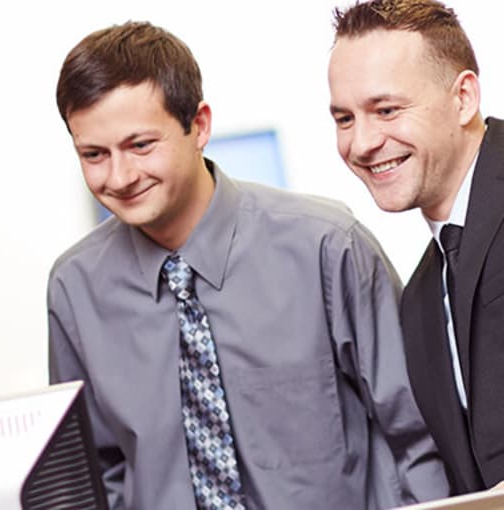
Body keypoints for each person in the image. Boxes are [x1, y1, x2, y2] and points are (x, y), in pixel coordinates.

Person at [48, 20, 448, 509]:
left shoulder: (326, 247)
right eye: (94, 154)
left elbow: (416, 437)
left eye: (140, 145)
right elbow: (91, 475)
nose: (120, 176)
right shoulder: (74, 289)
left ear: (199, 125)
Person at [328, 0, 504, 496]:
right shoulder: (422, 296)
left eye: (386, 110)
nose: (361, 143)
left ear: (464, 97)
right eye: (344, 118)